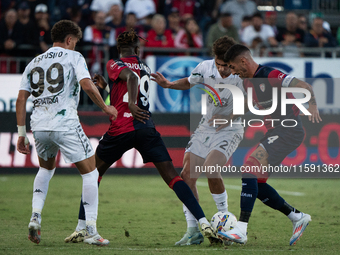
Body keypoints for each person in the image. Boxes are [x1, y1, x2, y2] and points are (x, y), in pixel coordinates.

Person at [64, 29, 216, 244]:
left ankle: (83, 227)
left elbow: (131, 79)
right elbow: (120, 95)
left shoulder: (115, 64)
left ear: (118, 49)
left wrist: (132, 104)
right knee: (173, 177)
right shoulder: (145, 67)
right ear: (137, 49)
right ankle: (203, 222)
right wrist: (107, 88)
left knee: (93, 175)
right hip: (146, 127)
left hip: (122, 128)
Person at [16, 20, 117, 245]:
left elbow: (21, 98)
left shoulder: (33, 62)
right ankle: (91, 230)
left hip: (39, 126)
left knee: (45, 169)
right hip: (65, 123)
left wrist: (21, 133)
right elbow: (87, 85)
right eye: (75, 42)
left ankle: (35, 215)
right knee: (91, 173)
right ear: (70, 40)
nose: (75, 46)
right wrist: (106, 107)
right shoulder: (74, 56)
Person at [218, 44, 322, 245]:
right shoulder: (248, 82)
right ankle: (297, 217)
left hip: (288, 131)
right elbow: (251, 104)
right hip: (277, 132)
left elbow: (304, 86)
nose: (232, 71)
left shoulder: (270, 75)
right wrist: (227, 118)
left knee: (249, 168)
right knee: (257, 183)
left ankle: (241, 229)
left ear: (243, 61)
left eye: (232, 66)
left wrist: (313, 104)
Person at [151, 36, 244, 246]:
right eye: (220, 65)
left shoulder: (241, 75)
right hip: (206, 126)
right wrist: (168, 85)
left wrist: (226, 119)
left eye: (227, 66)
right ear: (215, 60)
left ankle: (224, 224)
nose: (223, 70)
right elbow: (189, 81)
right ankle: (193, 231)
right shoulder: (204, 68)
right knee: (186, 176)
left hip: (230, 127)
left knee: (212, 168)